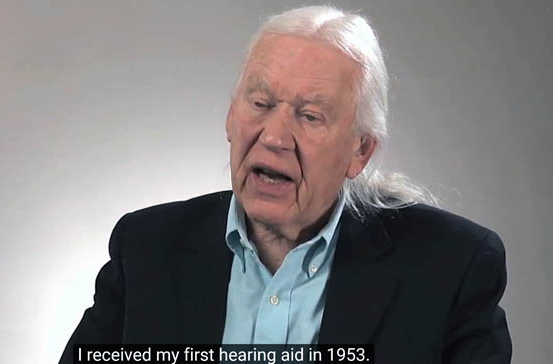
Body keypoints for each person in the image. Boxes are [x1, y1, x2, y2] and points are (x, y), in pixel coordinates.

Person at [60, 5, 511, 363]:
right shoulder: (146, 248)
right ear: (230, 117)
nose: (273, 137)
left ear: (361, 151)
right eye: (260, 103)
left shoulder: (453, 268)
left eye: (310, 116)